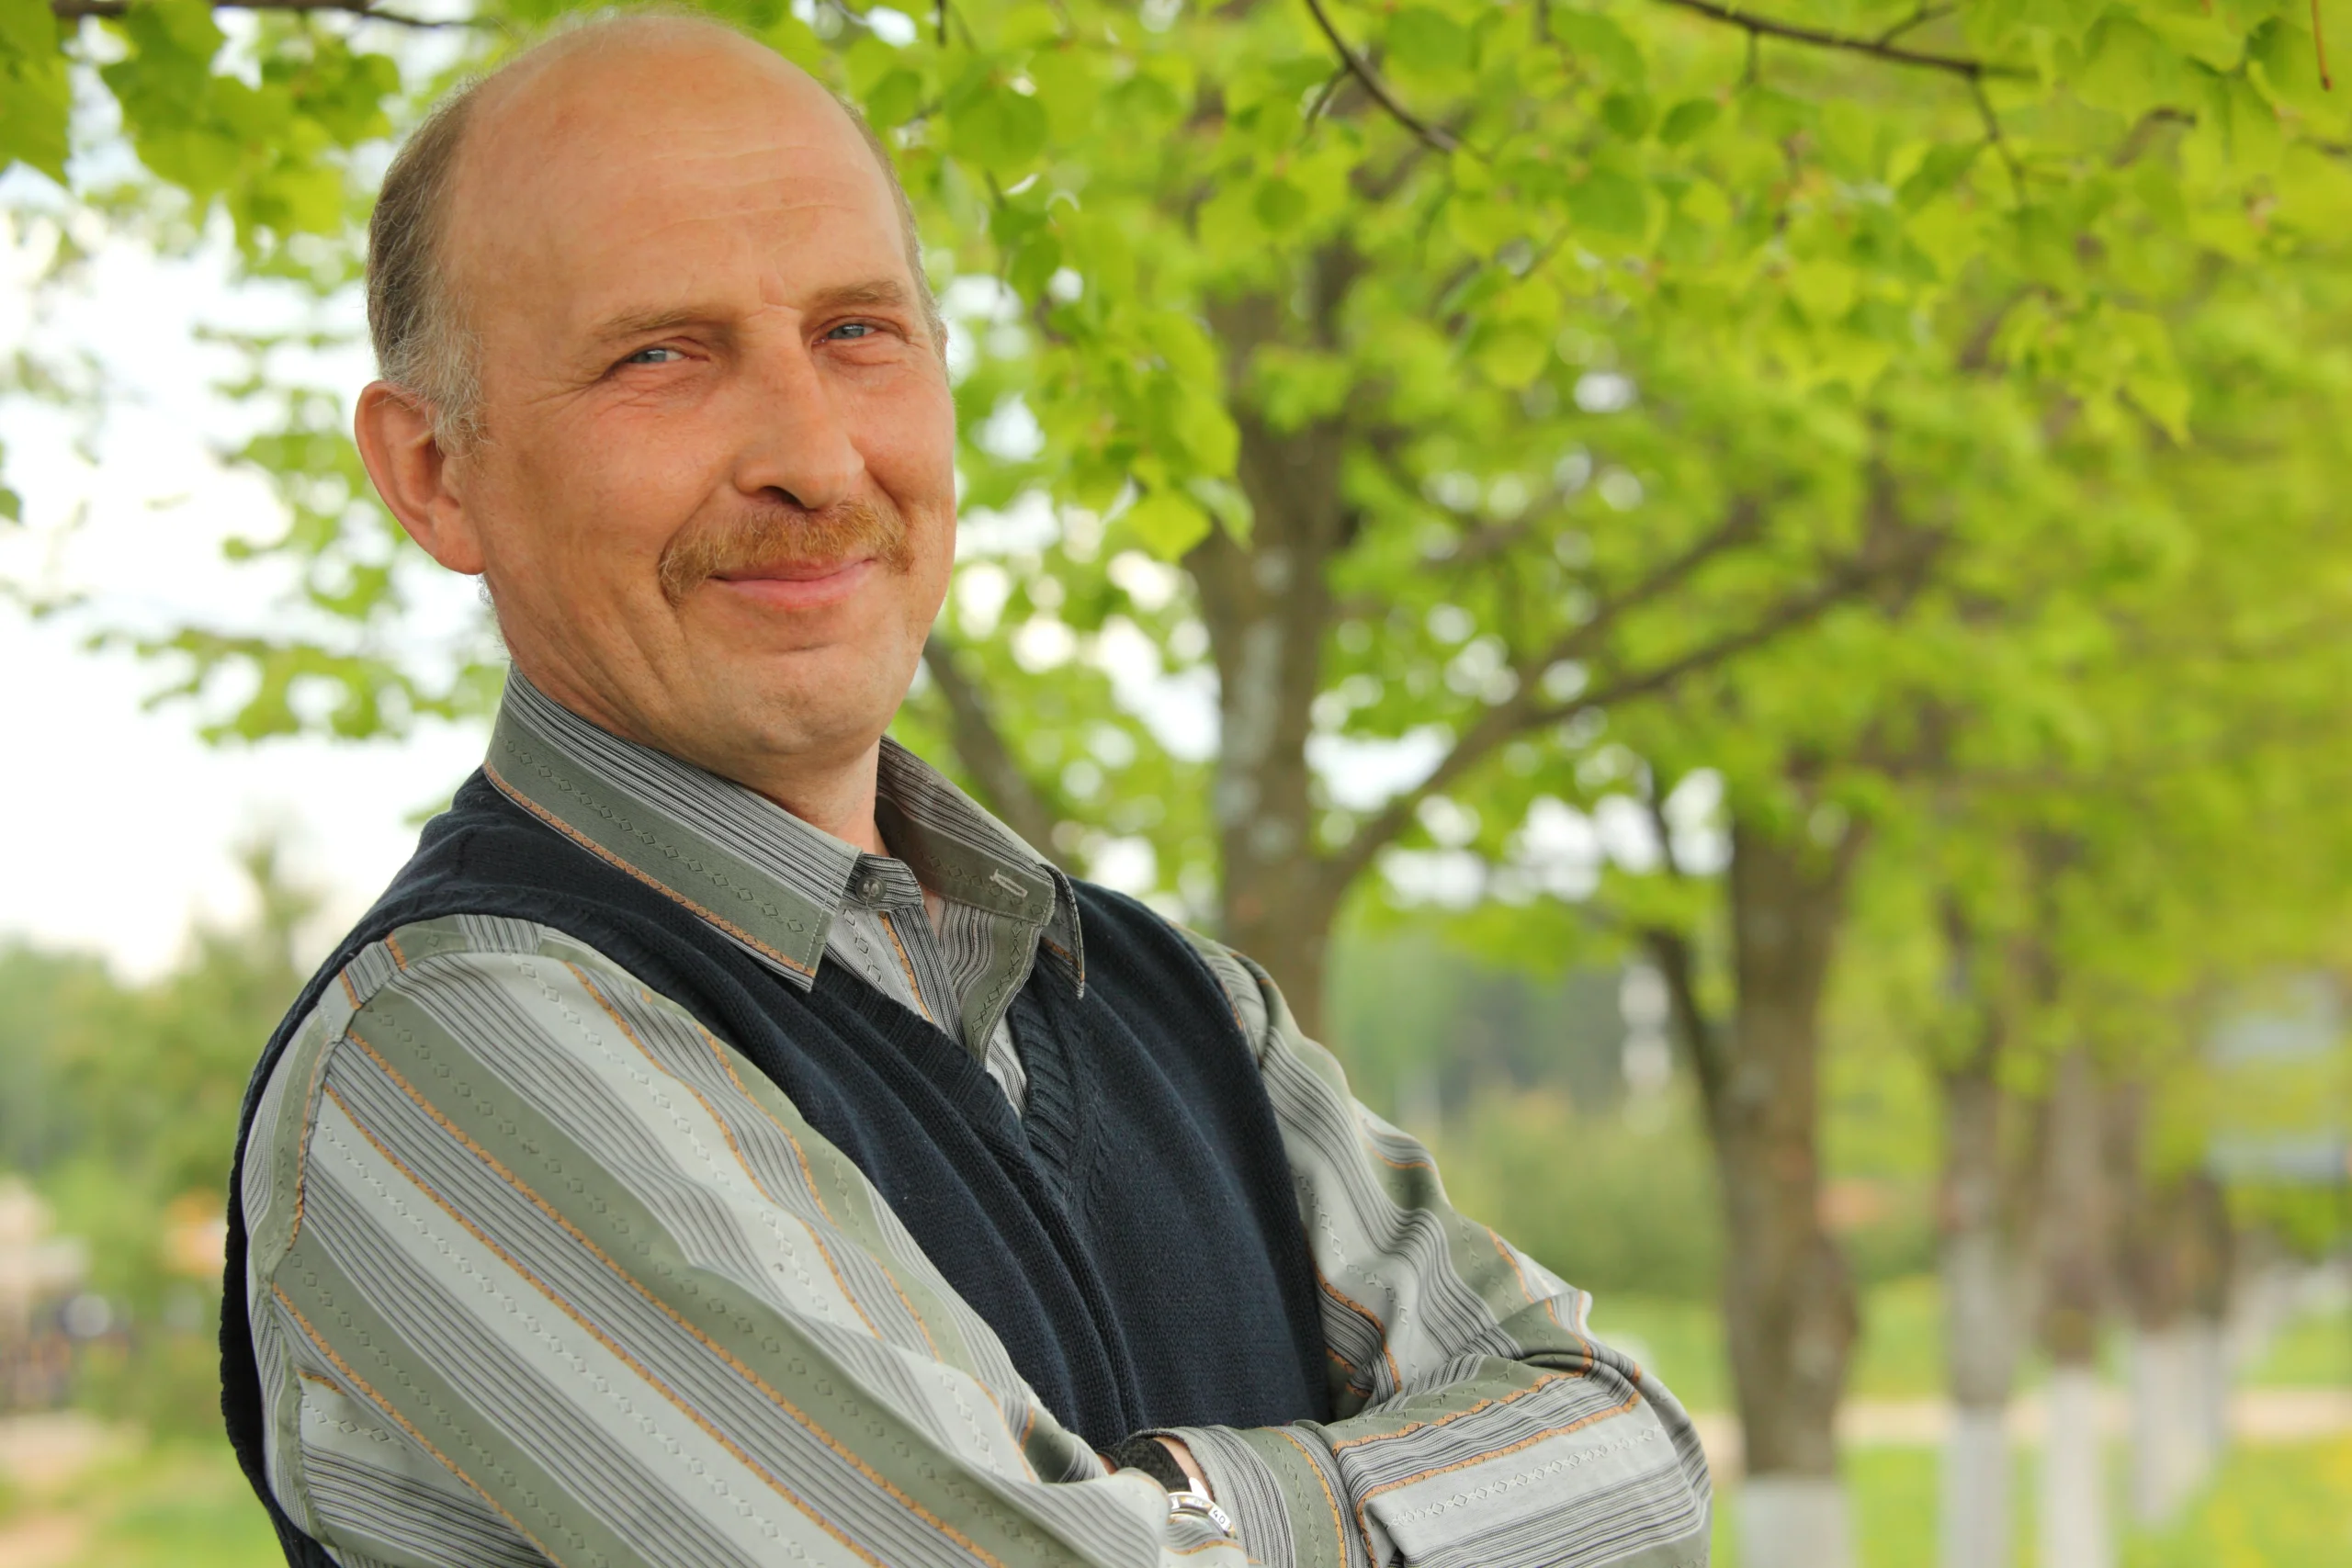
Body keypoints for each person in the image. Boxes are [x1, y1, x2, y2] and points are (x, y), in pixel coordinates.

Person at [219, 15, 1713, 1567]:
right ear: (432, 473)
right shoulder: (453, 1047)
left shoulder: (1174, 1000)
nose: (814, 455)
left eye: (861, 333)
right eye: (661, 354)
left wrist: (1177, 1517)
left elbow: (1637, 1453)